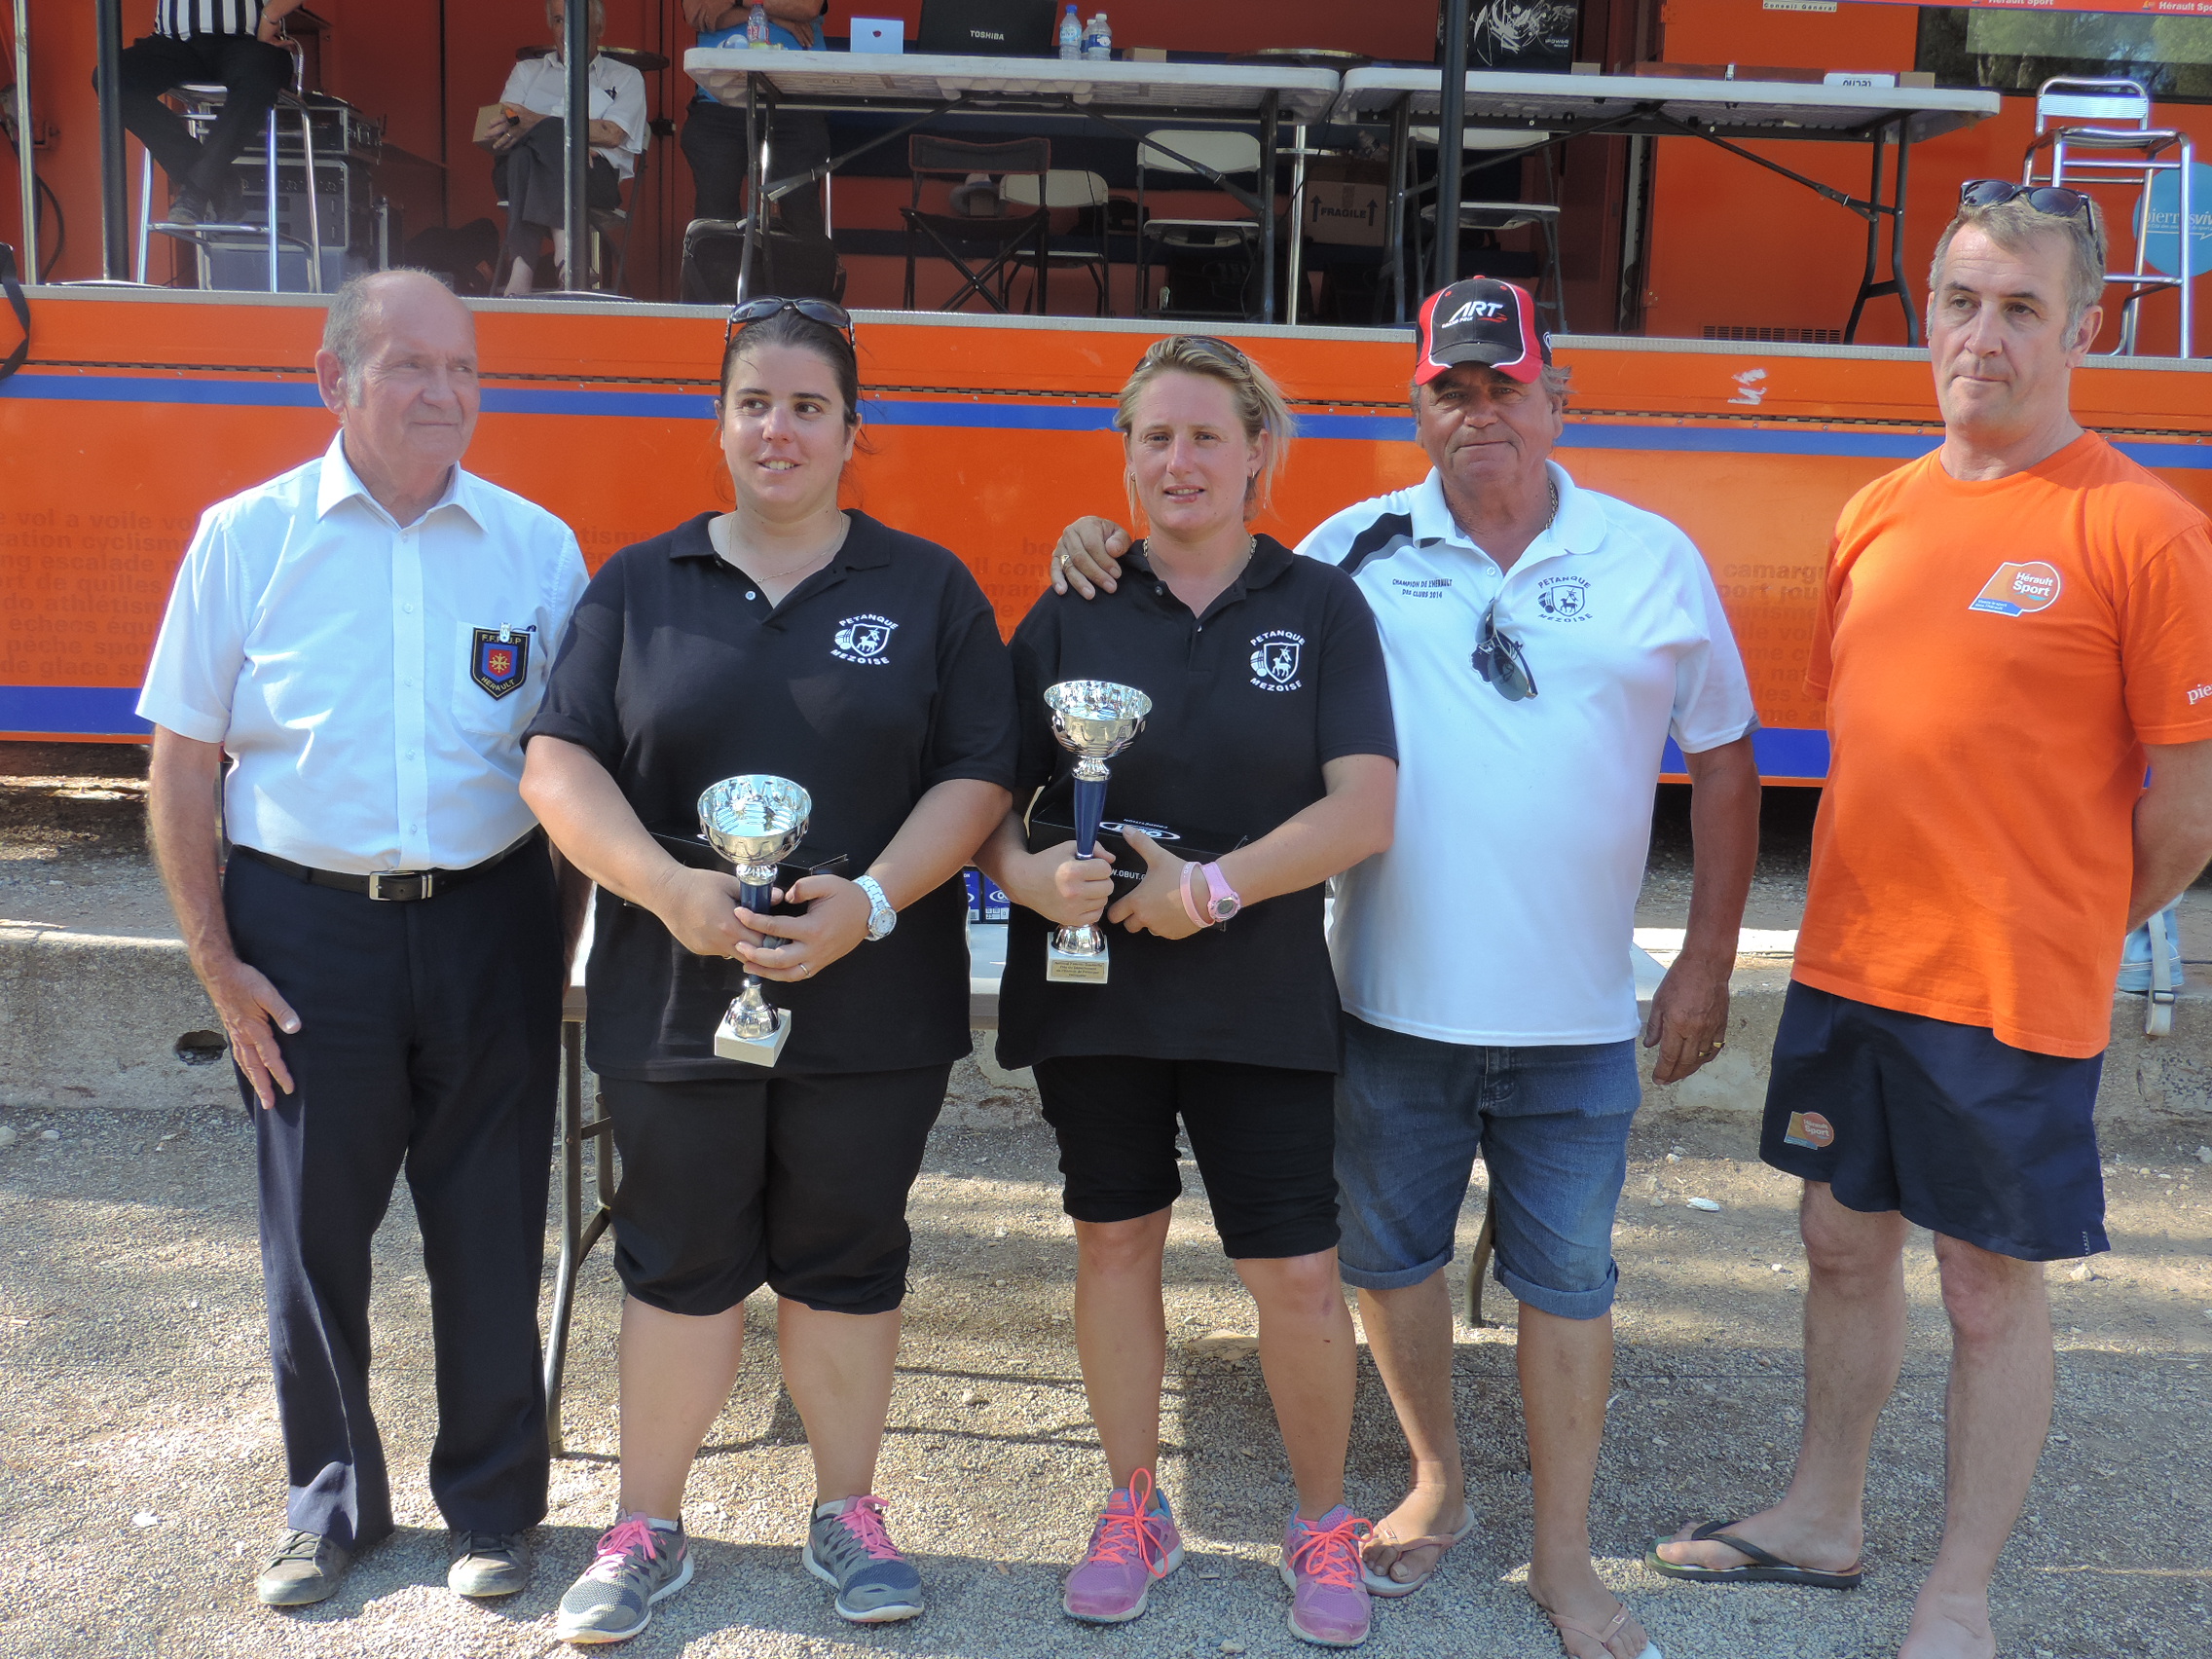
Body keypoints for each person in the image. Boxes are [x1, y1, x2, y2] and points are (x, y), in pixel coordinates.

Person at [1052, 278, 1762, 1659]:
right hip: (1385, 1001)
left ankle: (1565, 1561)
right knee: (1391, 1265)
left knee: (1572, 1283)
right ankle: (1435, 1479)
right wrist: (1099, 541)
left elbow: (1724, 763)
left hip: (1574, 1016)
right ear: (1417, 405)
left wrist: (1704, 964)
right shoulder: (1348, 550)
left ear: (1560, 397)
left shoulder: (1653, 557)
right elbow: (1202, 572)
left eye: (1506, 386)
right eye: (1453, 388)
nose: (1480, 411)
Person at [1651, 186, 2212, 1659]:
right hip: (1855, 965)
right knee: (1839, 1238)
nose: (1984, 336)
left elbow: (2190, 809)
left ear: (2084, 329)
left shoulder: (2144, 531)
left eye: (2023, 307)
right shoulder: (1877, 511)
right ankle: (1824, 1520)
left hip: (2012, 991)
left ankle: (1956, 1593)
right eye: (1961, 301)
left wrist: (2077, 921)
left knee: (1982, 1285)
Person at [520, 297, 1017, 1645]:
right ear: (720, 420)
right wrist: (670, 887)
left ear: (856, 429)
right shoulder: (638, 584)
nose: (779, 429)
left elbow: (979, 773)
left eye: (808, 405)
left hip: (871, 1000)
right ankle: (647, 1524)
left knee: (846, 1257)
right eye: (755, 402)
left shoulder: (927, 590)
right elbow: (558, 764)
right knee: (677, 1259)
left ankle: (847, 1513)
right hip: (678, 991)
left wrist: (869, 898)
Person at [137, 270, 590, 1608]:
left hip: (490, 924)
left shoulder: (535, 548)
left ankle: (497, 1511)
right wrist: (217, 965)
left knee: (491, 1231)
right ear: (329, 378)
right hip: (303, 936)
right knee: (312, 1238)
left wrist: (542, 947)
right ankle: (327, 1506)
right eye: (409, 367)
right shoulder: (246, 538)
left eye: (462, 368)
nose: (444, 394)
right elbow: (181, 765)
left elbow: (569, 769)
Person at [980, 336, 1397, 1647]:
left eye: (1207, 435)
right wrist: (1025, 873)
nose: (1179, 462)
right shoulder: (1068, 607)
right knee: (1116, 1242)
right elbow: (988, 804)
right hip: (1096, 993)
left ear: (1258, 451)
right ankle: (1130, 1504)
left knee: (1296, 1273)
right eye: (1154, 438)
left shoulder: (1323, 606)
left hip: (1257, 992)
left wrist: (1206, 892)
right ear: (1127, 458)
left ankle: (1322, 1519)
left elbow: (1365, 809)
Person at [489, 0, 648, 296]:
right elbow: (506, 124)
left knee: (535, 145)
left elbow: (612, 135)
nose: (567, 31)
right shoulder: (526, 71)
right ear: (552, 25)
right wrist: (568, 145)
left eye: (578, 20)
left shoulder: (626, 77)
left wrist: (537, 125)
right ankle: (568, 257)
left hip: (592, 176)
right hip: (516, 174)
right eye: (560, 20)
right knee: (529, 150)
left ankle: (521, 273)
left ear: (599, 26)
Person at [114, 0, 305, 226]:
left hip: (249, 45)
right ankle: (217, 179)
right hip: (172, 45)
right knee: (112, 79)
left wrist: (271, 15)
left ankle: (198, 189)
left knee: (260, 79)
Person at [681, 0, 831, 239]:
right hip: (721, 98)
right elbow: (698, 14)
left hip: (796, 98)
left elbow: (808, 7)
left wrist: (733, 4)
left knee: (800, 209)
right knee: (715, 215)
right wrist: (774, 16)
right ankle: (722, 275)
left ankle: (800, 273)